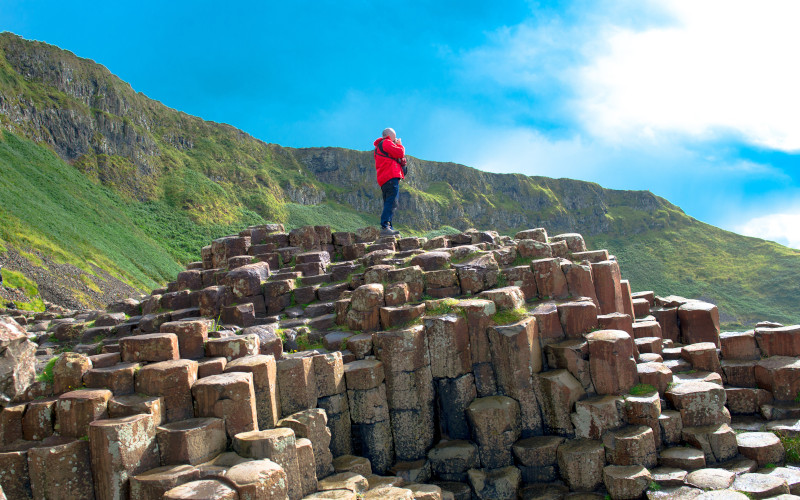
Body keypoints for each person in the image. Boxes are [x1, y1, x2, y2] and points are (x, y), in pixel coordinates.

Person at [373, 127, 406, 237]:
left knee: (389, 201)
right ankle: (385, 226)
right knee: (392, 201)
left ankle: (389, 227)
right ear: (389, 135)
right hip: (390, 176)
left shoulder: (379, 146)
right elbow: (400, 153)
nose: (395, 138)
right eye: (394, 136)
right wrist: (400, 144)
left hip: (384, 178)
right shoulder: (386, 142)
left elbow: (397, 158)